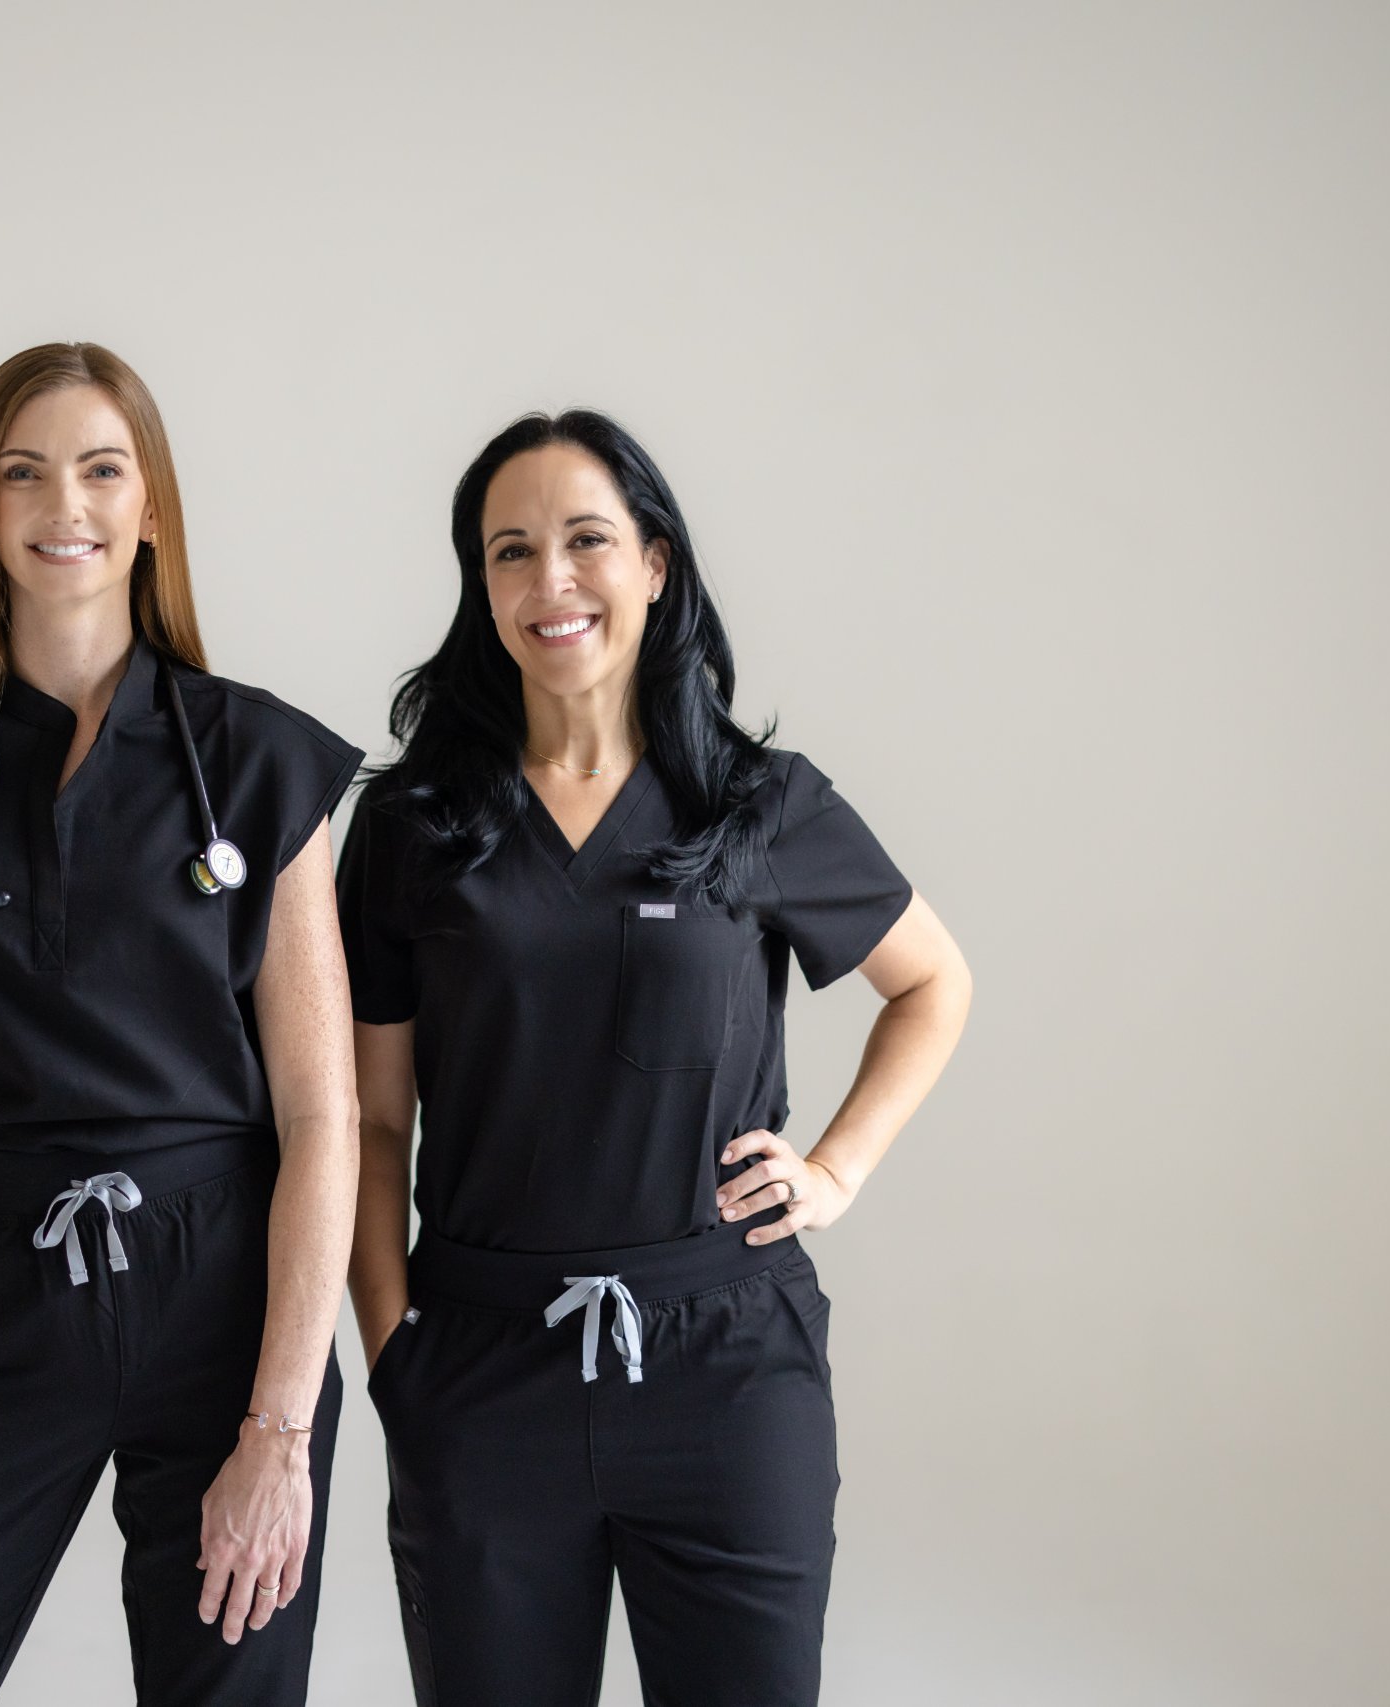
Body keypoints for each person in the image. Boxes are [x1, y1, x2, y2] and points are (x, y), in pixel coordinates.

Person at [337, 408, 972, 1706]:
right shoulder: (413, 827)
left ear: (655, 564)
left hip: (727, 1372)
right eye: (511, 552)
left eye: (585, 541)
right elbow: (370, 1124)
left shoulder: (757, 804)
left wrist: (836, 1171)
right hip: (483, 1366)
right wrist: (394, 1346)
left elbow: (934, 982)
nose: (549, 581)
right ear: (481, 584)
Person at [0, 342, 364, 1706]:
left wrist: (281, 1427)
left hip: (223, 1304)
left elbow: (324, 1112)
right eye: (23, 472)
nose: (66, 505)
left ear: (151, 506)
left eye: (104, 469)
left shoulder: (263, 765)